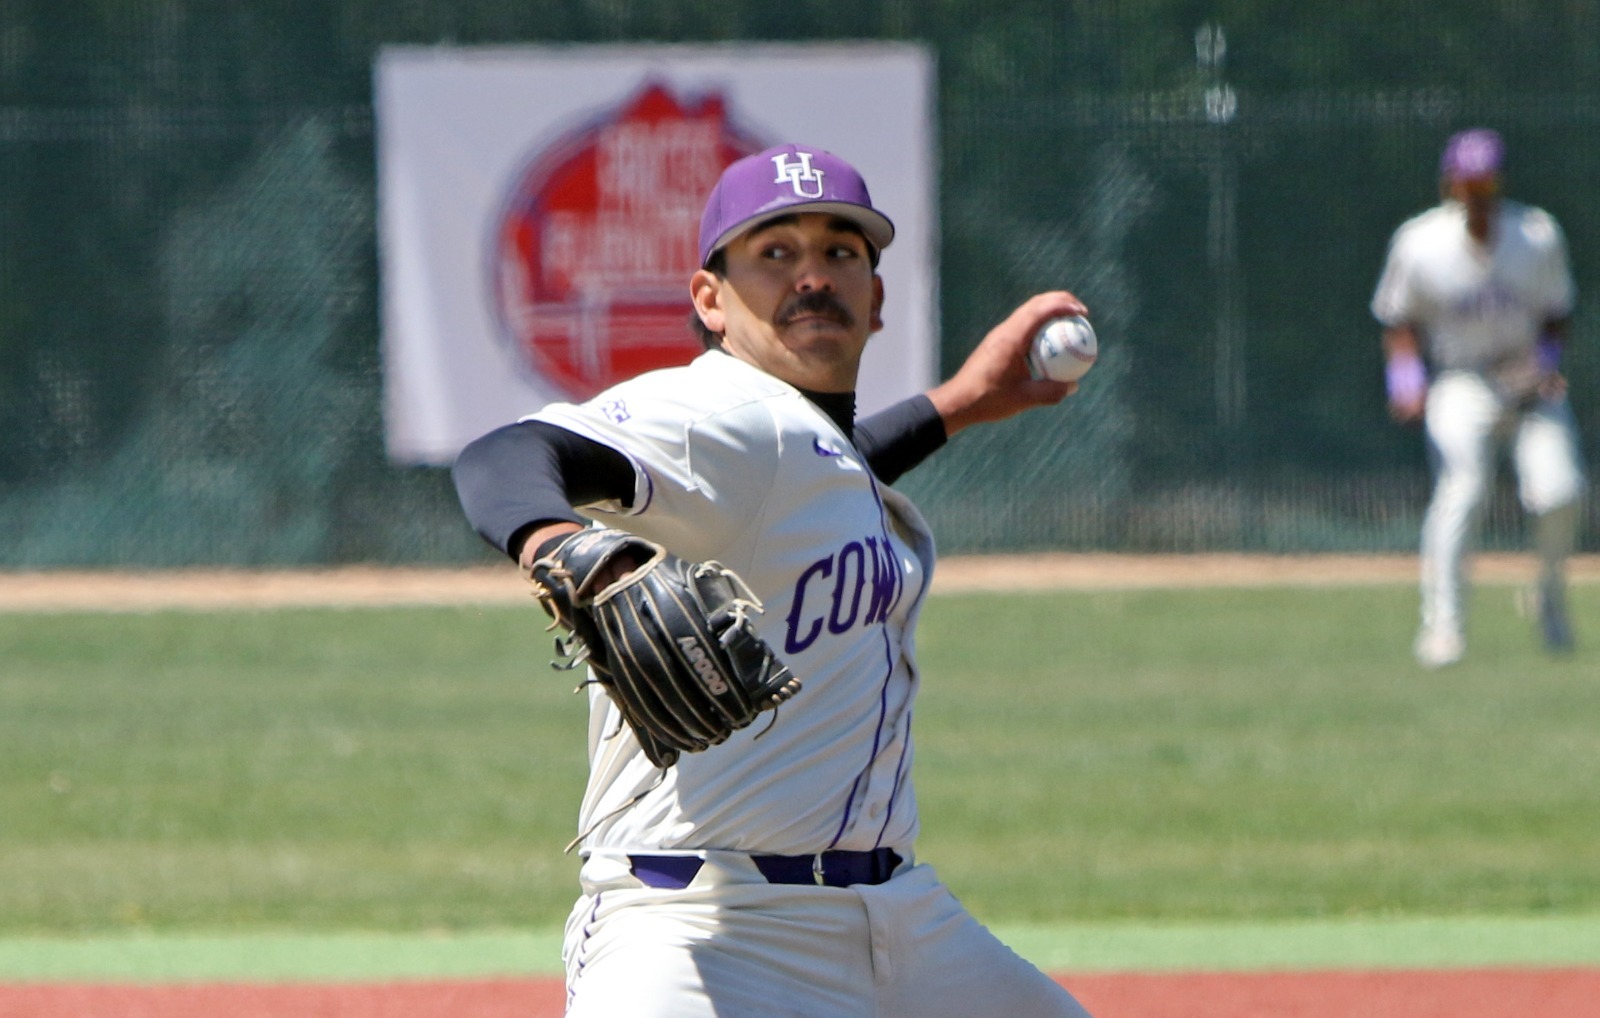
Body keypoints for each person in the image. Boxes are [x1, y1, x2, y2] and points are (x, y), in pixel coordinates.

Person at [453, 143, 1094, 1017]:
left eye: (840, 253)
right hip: (706, 931)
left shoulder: (793, 448)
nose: (813, 277)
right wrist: (563, 546)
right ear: (710, 301)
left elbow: (827, 477)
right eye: (775, 254)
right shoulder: (714, 411)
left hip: (898, 920)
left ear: (876, 299)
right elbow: (507, 454)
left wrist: (961, 404)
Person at [1372, 128, 1585, 668]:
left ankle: (1551, 601)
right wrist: (1405, 380)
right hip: (1461, 379)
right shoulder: (1420, 240)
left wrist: (1547, 366)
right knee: (1462, 490)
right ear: (1450, 183)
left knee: (1562, 493)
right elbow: (1398, 318)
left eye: (1486, 179)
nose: (1477, 191)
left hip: (1526, 378)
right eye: (1467, 181)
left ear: (1500, 181)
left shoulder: (1535, 234)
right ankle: (1443, 627)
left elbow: (1557, 313)